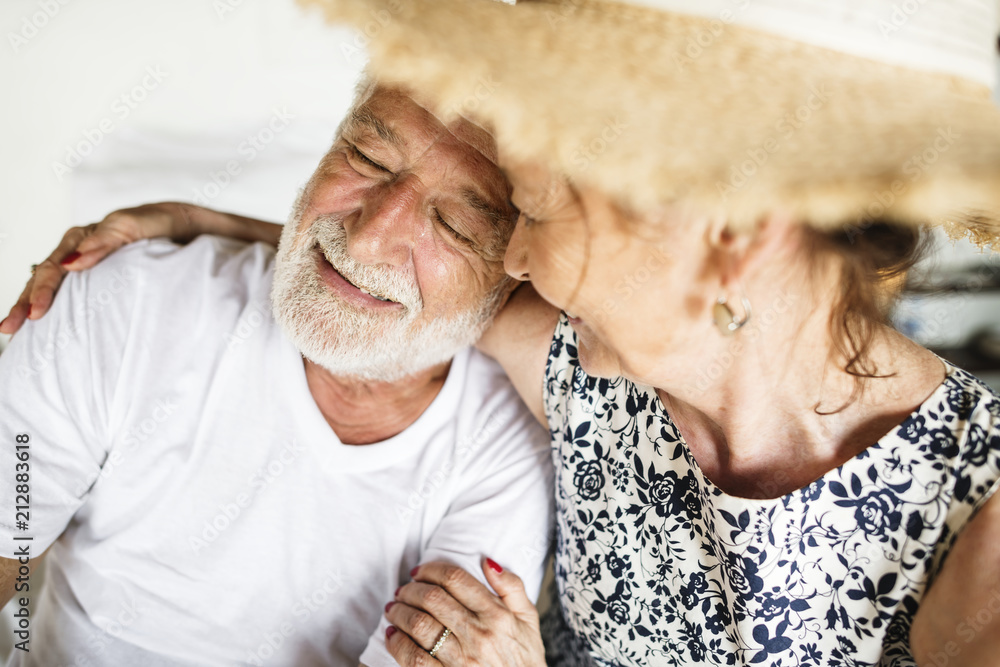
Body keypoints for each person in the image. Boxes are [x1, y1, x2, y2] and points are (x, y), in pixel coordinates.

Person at [11, 2, 1000, 667]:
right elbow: (406, 285)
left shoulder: (981, 515)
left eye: (517, 209)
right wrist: (203, 230)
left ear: (726, 239)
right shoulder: (593, 377)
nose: (514, 255)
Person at [0, 83, 554, 667]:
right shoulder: (128, 295)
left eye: (455, 227)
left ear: (516, 273)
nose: (366, 240)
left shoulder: (506, 443)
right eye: (365, 158)